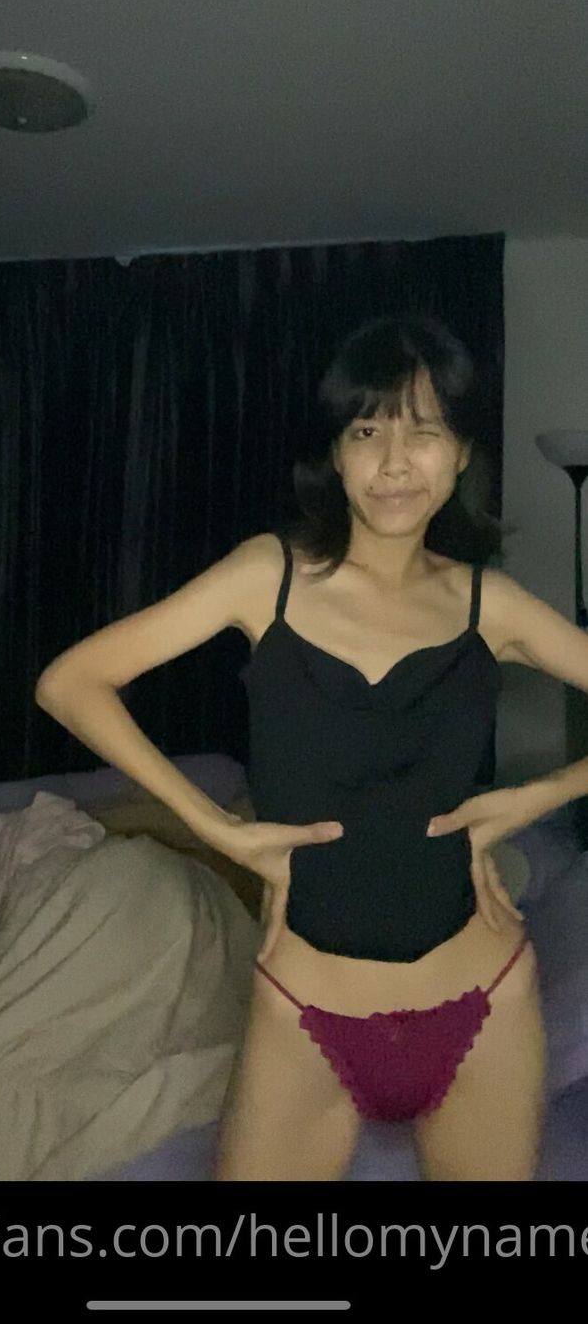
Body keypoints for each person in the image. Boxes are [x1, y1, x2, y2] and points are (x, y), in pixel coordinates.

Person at [35, 313, 588, 1181]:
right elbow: (71, 684)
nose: (393, 462)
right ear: (334, 453)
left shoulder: (493, 605)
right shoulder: (269, 577)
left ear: (461, 453)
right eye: (366, 431)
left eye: (423, 431)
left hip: (482, 1004)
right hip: (303, 1014)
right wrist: (217, 828)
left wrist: (538, 795)